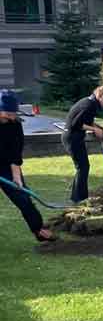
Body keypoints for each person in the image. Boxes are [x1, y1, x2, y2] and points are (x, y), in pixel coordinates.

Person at [0, 90, 54, 243]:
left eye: (13, 113)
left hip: (6, 166)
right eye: (7, 113)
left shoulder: (15, 125)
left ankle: (38, 229)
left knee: (23, 197)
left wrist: (17, 178)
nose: (11, 117)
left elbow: (15, 153)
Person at [61, 84, 103, 203]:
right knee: (83, 167)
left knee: (83, 167)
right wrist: (95, 129)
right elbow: (75, 124)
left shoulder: (91, 103)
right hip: (71, 137)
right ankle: (80, 198)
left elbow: (87, 120)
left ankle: (78, 197)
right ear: (99, 96)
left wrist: (98, 127)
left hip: (76, 137)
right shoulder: (88, 105)